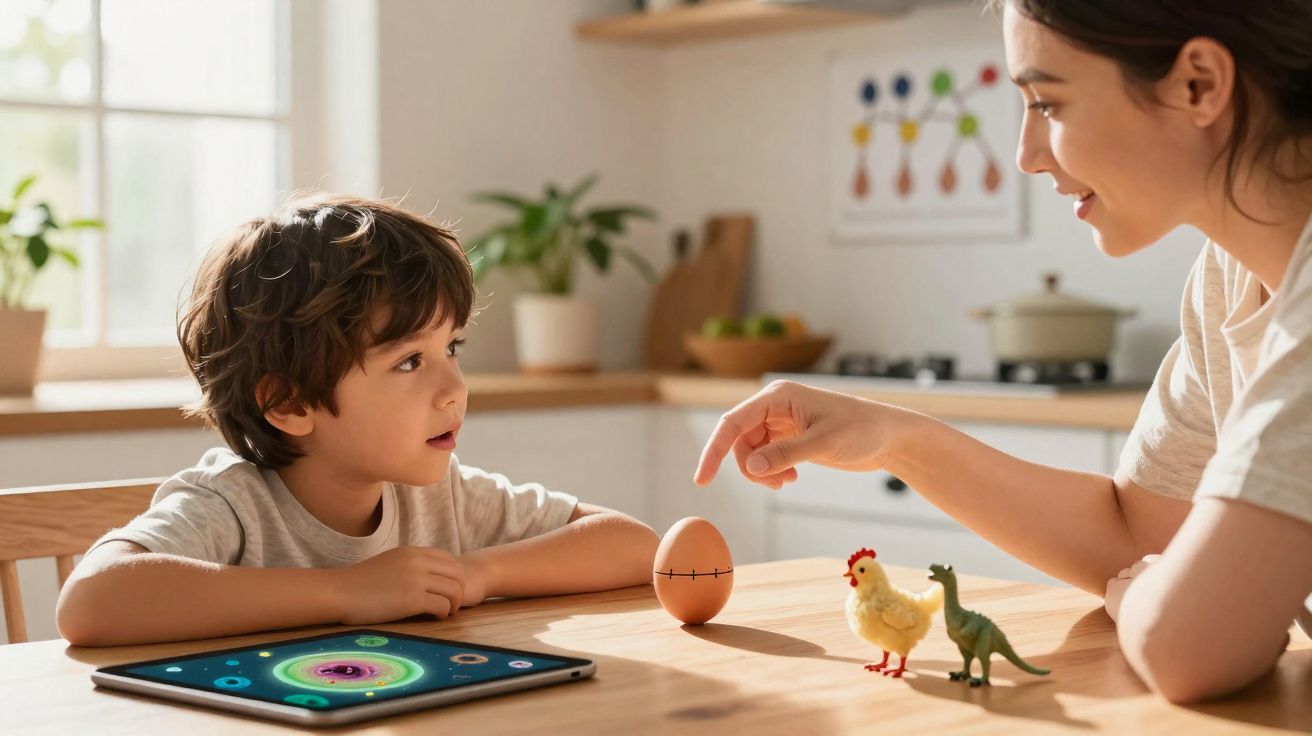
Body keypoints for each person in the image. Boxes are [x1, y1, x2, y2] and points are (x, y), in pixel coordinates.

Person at [694, 0, 1312, 704]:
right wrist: (895, 439)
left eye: (1047, 103)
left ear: (1199, 84)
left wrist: (1150, 598)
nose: (1025, 154)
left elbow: (1187, 647)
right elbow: (1138, 534)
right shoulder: (1229, 279)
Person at [56, 194, 659, 646]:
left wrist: (473, 574)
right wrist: (348, 593)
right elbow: (91, 601)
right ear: (291, 404)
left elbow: (634, 546)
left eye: (452, 349)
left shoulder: (438, 494)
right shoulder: (232, 504)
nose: (453, 388)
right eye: (409, 362)